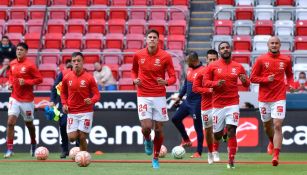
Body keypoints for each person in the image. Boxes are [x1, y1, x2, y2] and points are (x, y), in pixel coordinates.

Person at [131, 29, 176, 169]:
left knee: (159, 128)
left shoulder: (165, 56)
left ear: (158, 40)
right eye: (149, 37)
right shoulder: (138, 55)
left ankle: (155, 158)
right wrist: (135, 80)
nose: (151, 39)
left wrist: (166, 82)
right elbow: (133, 71)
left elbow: (173, 76)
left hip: (159, 96)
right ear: (146, 39)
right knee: (146, 127)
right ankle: (146, 139)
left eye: (154, 37)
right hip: (143, 95)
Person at [204, 42, 250, 169]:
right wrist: (215, 83)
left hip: (233, 103)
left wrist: (245, 80)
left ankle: (231, 160)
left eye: (227, 47)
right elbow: (205, 82)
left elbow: (247, 84)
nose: (225, 49)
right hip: (217, 104)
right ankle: (220, 137)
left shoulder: (238, 66)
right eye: (222, 48)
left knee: (232, 130)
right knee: (217, 135)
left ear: (230, 50)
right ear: (219, 52)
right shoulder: (212, 66)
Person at [250, 36, 294, 166]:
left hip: (279, 97)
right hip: (264, 98)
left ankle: (276, 155)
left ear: (280, 45)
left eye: (276, 43)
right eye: (272, 43)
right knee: (267, 125)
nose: (274, 45)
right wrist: (265, 79)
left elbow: (290, 75)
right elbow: (252, 78)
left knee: (278, 125)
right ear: (268, 45)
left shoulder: (286, 59)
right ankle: (271, 141)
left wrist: (290, 85)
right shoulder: (261, 59)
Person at [4, 42, 43, 158]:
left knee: (29, 124)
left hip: (27, 100)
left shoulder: (30, 65)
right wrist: (10, 84)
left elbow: (39, 79)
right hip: (14, 98)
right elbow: (11, 75)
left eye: (21, 50)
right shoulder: (12, 63)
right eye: (17, 49)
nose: (19, 51)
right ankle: (9, 149)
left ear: (26, 52)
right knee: (10, 122)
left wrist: (26, 82)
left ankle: (33, 143)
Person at [61, 52, 100, 152]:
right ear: (72, 62)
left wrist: (91, 100)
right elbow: (63, 93)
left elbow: (97, 95)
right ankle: (80, 146)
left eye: (78, 61)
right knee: (72, 138)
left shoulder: (89, 78)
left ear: (83, 62)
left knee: (82, 137)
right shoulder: (66, 77)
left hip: (86, 111)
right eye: (74, 61)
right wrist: (64, 104)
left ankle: (83, 156)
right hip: (72, 111)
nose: (76, 63)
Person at [171, 51, 204, 158]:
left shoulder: (203, 71)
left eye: (188, 61)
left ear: (194, 60)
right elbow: (186, 85)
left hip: (197, 103)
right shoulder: (189, 69)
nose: (186, 62)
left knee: (198, 127)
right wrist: (179, 97)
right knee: (175, 119)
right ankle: (186, 139)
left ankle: (198, 152)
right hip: (187, 101)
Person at [192, 49, 220, 164]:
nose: (213, 61)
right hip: (206, 106)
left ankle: (215, 151)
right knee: (208, 131)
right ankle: (209, 152)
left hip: (220, 105)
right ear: (206, 60)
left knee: (220, 130)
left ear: (218, 59)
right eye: (210, 59)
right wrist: (208, 90)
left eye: (215, 59)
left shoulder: (221, 72)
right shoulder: (201, 72)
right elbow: (195, 88)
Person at [49, 59, 79, 158]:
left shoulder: (81, 73)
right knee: (63, 125)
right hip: (64, 103)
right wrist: (52, 100)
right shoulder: (63, 74)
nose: (73, 65)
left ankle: (79, 148)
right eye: (69, 64)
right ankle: (64, 149)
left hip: (78, 105)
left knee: (78, 127)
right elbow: (54, 87)